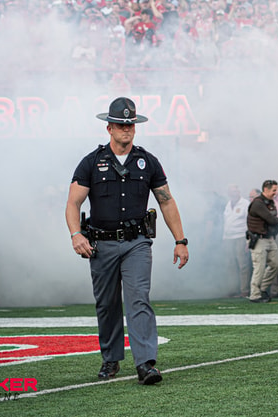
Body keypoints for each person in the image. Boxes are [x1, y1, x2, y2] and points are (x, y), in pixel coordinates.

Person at [66, 97, 189, 385]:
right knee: (107, 304)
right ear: (109, 127)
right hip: (101, 244)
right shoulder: (91, 162)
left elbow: (166, 202)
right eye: (121, 125)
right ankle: (111, 359)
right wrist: (75, 235)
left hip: (137, 244)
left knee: (138, 300)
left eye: (130, 124)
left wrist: (180, 240)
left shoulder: (148, 161)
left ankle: (146, 363)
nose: (126, 129)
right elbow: (73, 203)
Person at [246, 179, 278, 303]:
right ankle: (255, 295)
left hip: (269, 238)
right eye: (274, 190)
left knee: (276, 264)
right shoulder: (258, 203)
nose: (276, 192)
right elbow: (271, 219)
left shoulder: (269, 202)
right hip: (259, 239)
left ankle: (262, 289)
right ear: (266, 189)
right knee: (259, 267)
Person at [223, 184, 252, 298]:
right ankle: (232, 289)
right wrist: (224, 238)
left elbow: (249, 221)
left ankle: (244, 290)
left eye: (235, 191)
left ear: (239, 192)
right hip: (229, 237)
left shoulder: (245, 204)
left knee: (243, 264)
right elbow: (226, 222)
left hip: (241, 236)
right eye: (231, 192)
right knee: (230, 265)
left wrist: (248, 239)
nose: (233, 194)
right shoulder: (228, 204)